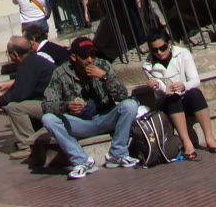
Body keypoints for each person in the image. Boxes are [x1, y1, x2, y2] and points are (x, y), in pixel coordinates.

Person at [39, 37, 141, 179]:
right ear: (74, 57)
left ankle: (117, 154)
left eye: (92, 55)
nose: (90, 60)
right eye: (84, 57)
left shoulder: (102, 65)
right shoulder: (60, 73)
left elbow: (123, 96)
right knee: (48, 119)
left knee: (130, 105)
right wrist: (65, 106)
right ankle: (82, 161)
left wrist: (105, 78)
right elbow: (47, 105)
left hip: (105, 117)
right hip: (81, 123)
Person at [143, 33, 216, 159]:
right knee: (173, 98)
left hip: (185, 96)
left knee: (195, 93)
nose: (159, 52)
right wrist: (157, 86)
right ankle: (187, 143)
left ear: (169, 44)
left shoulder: (183, 54)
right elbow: (160, 94)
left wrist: (184, 86)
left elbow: (195, 80)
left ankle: (209, 138)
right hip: (168, 103)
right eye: (154, 50)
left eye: (162, 48)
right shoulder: (148, 65)